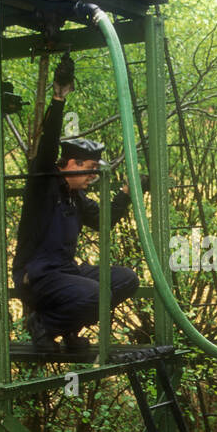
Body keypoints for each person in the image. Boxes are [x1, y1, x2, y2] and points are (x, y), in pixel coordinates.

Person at [12, 55, 139, 353]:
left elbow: (102, 221)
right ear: (70, 163)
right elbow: (47, 145)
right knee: (97, 294)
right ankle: (43, 324)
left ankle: (66, 328)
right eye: (90, 168)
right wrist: (59, 99)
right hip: (38, 276)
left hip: (65, 271)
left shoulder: (76, 196)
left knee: (126, 280)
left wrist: (126, 193)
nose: (94, 175)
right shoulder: (43, 184)